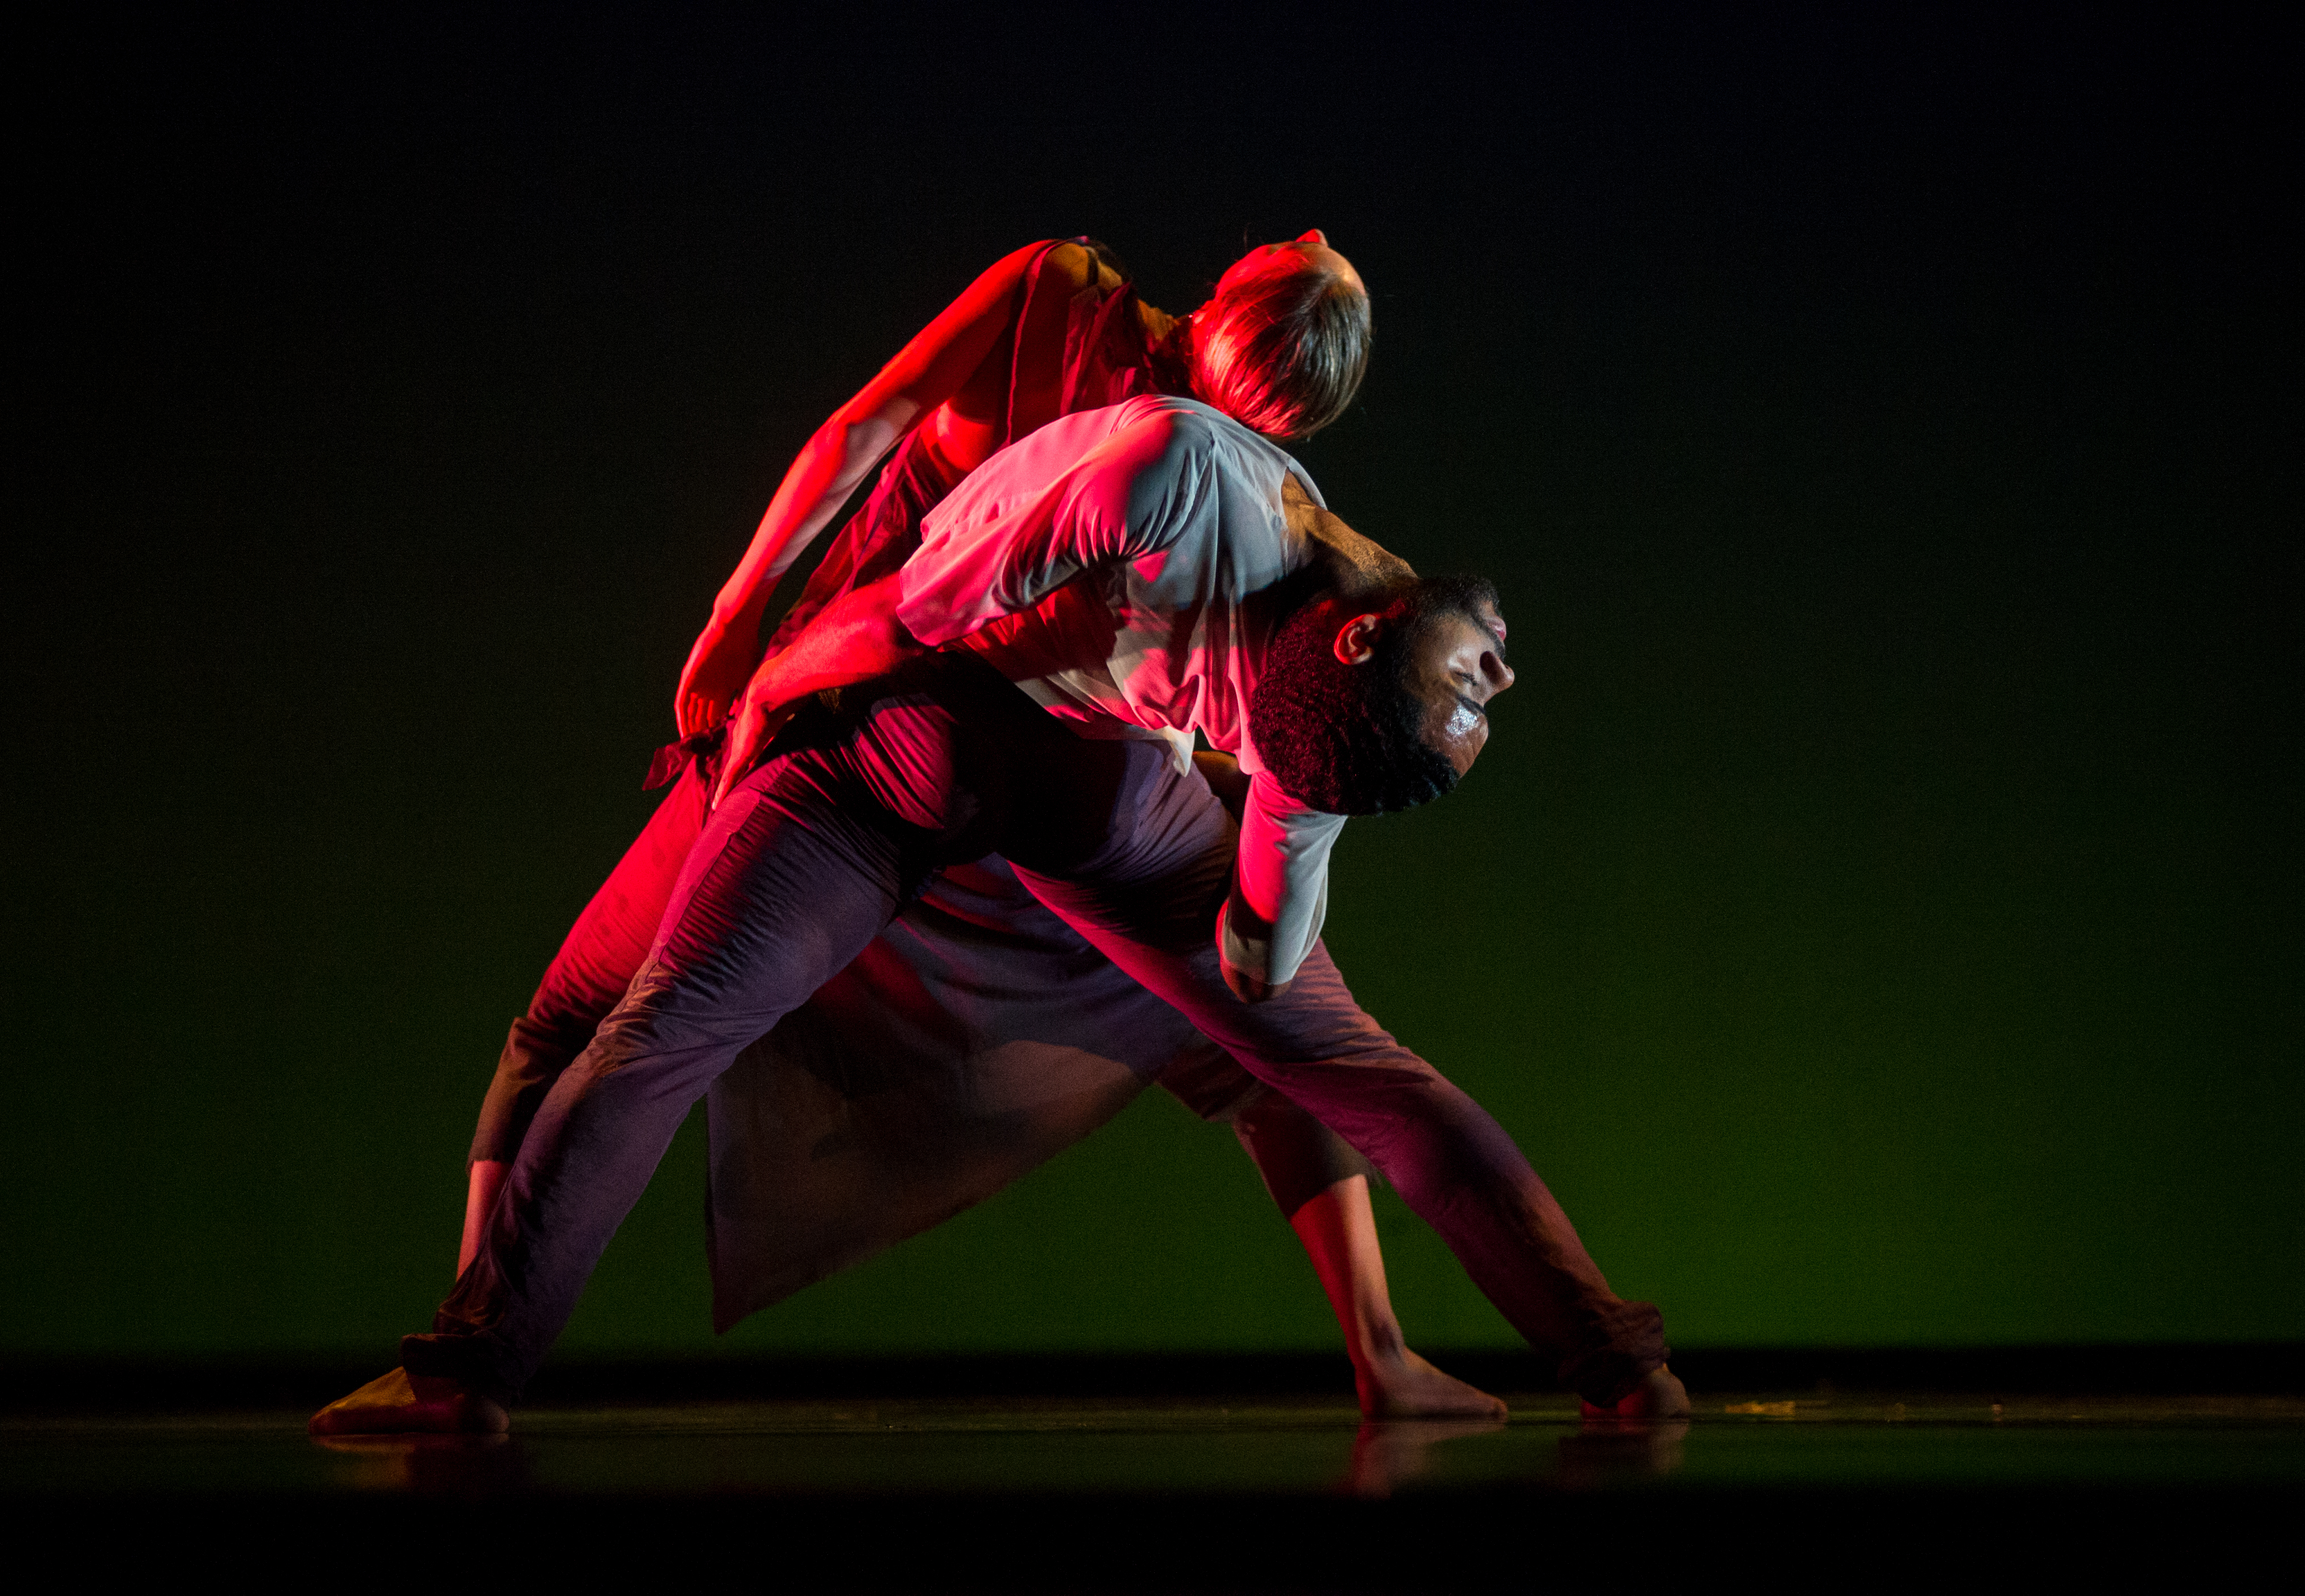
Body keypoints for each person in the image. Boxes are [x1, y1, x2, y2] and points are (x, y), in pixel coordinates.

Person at [312, 392, 1687, 1437]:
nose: (1497, 676)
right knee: (673, 1022)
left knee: (669, 1022)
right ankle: (1617, 1364)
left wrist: (774, 703)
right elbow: (939, 615)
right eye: (1477, 688)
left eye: (1472, 699)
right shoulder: (1219, 557)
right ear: (1358, 632)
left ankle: (464, 1376)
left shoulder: (1287, 676)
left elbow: (925, 613)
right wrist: (769, 684)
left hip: (951, 741)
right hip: (989, 734)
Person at [423, 234, 1496, 1424]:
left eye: (1301, 253)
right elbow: (1227, 713)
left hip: (863, 711)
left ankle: (467, 1347)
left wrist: (742, 628)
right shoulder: (1248, 485)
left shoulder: (1065, 303)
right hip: (1063, 776)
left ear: (1235, 294)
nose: (1313, 232)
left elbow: (862, 439)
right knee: (1270, 1056)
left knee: (595, 1017)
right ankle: (1392, 1353)